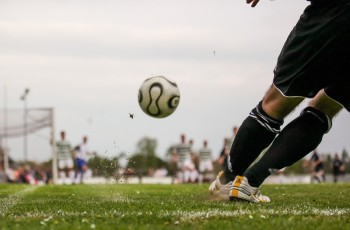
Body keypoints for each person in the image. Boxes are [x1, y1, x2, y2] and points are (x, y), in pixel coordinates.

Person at [210, 0, 350, 203]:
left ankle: (228, 180)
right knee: (325, 108)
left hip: (332, 13)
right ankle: (249, 182)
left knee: (275, 104)